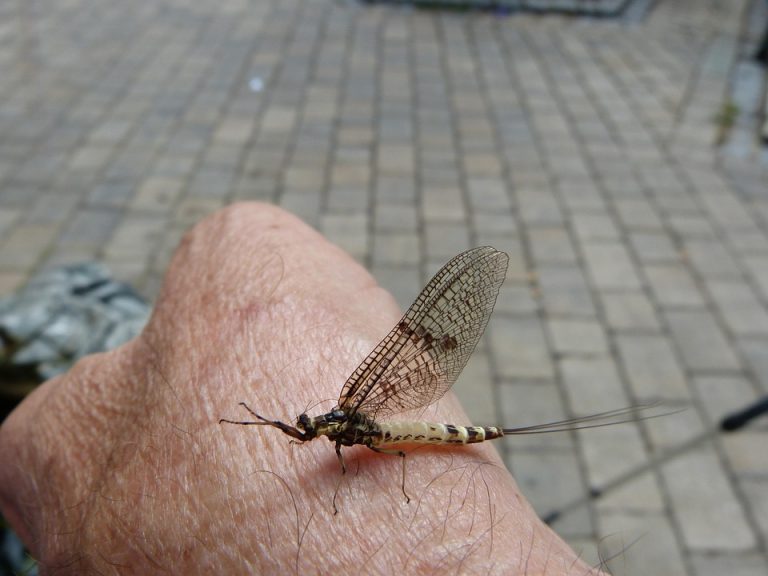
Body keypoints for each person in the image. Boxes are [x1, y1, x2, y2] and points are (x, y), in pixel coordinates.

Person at [0, 203, 600, 574]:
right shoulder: (338, 426)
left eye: (310, 428)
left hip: (424, 433)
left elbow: (366, 456)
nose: (307, 432)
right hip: (394, 428)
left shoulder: (347, 428)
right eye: (308, 428)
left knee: (417, 441)